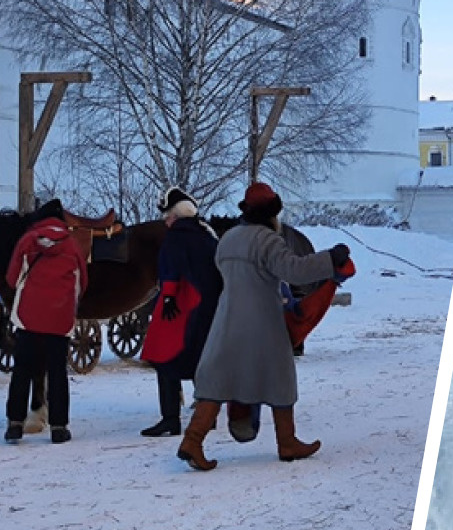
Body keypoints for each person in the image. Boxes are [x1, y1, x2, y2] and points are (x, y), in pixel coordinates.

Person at [175, 182, 355, 471]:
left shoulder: (229, 238)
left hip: (227, 318)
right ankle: (287, 442)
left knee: (216, 381)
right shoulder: (268, 240)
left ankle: (192, 441)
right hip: (262, 321)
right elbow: (292, 270)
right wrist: (330, 259)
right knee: (280, 379)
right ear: (272, 213)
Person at [138, 187, 222, 437]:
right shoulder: (208, 236)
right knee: (201, 360)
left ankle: (170, 418)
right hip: (207, 304)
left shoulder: (175, 237)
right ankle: (206, 416)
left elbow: (170, 268)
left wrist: (168, 298)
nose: (165, 220)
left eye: (167, 215)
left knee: (163, 358)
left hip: (179, 306)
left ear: (176, 215)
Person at [4, 211, 89, 444]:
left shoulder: (28, 240)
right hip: (59, 319)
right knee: (57, 371)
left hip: (28, 317)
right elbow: (82, 282)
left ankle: (15, 423)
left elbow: (12, 278)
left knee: (22, 369)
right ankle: (59, 427)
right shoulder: (71, 245)